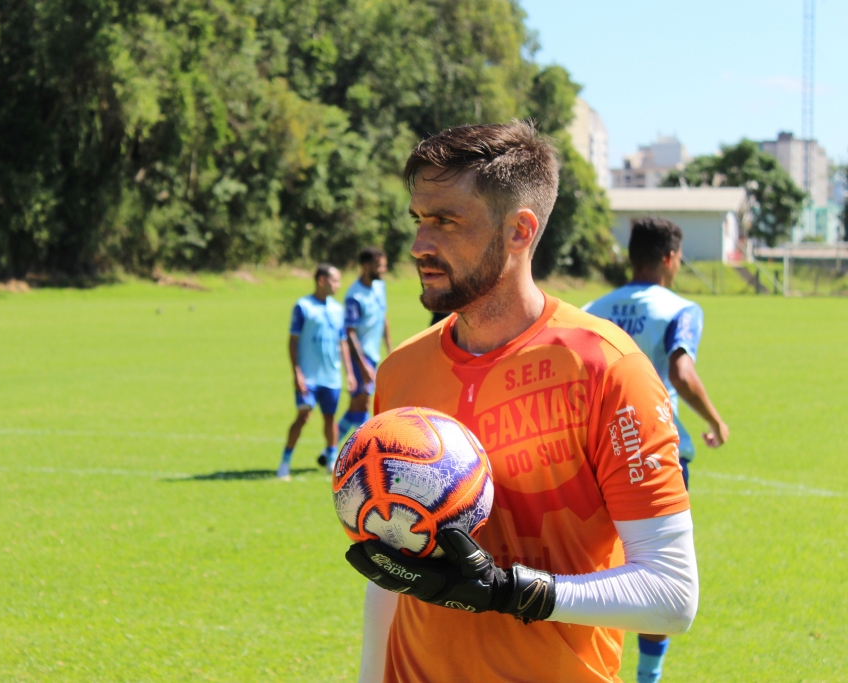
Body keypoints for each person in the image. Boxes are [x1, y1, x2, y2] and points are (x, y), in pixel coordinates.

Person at [344, 122, 698, 683]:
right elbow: (389, 568)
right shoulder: (401, 371)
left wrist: (510, 592)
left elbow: (671, 593)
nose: (418, 245)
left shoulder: (607, 367)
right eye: (418, 220)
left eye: (445, 221)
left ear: (519, 230)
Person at [583, 216, 728, 683]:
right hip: (653, 454)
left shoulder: (591, 308)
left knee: (591, 568)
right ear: (671, 258)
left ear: (631, 256)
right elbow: (681, 373)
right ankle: (648, 678)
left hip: (588, 456)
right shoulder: (681, 309)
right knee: (656, 572)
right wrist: (715, 419)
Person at [277, 264, 356, 480]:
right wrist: (297, 373)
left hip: (331, 376)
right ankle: (285, 461)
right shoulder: (303, 307)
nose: (338, 285)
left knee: (330, 419)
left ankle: (332, 460)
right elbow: (292, 342)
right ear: (321, 280)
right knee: (303, 416)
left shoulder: (337, 309)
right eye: (335, 281)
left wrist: (349, 373)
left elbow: (343, 343)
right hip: (309, 377)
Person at [330, 247, 392, 450]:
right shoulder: (354, 296)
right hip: (360, 357)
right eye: (379, 265)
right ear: (366, 266)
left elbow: (383, 319)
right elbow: (350, 333)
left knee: (357, 404)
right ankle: (364, 449)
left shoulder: (380, 287)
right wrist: (363, 365)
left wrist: (391, 350)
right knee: (364, 403)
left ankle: (330, 451)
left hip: (373, 356)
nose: (383, 269)